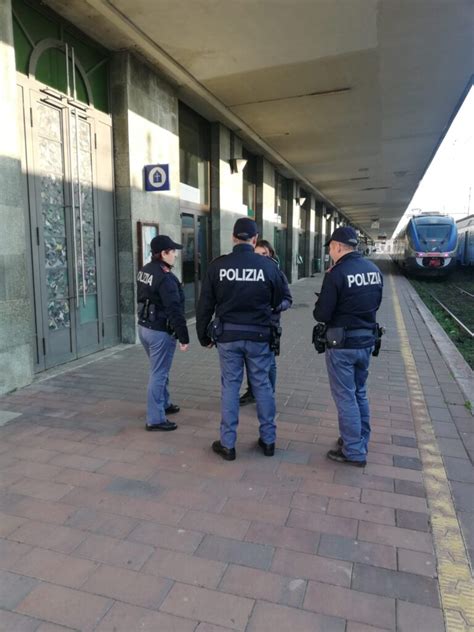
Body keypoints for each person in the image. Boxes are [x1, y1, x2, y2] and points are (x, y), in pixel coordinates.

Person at [196, 218, 285, 461]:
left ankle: (228, 444)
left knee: (230, 387)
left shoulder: (218, 266)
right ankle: (268, 441)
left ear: (234, 238)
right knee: (263, 386)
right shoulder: (268, 267)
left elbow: (204, 305)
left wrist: (203, 335)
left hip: (228, 337)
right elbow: (281, 300)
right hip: (259, 336)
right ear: (255, 239)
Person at [313, 226, 383, 466]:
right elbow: (377, 303)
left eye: (331, 248)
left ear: (338, 247)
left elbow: (322, 313)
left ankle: (353, 450)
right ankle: (360, 438)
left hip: (342, 345)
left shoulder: (337, 273)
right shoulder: (374, 270)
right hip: (366, 342)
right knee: (359, 392)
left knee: (345, 397)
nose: (330, 252)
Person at [137, 235, 189, 431]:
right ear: (163, 253)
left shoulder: (145, 270)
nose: (175, 255)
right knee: (158, 373)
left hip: (144, 328)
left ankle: (164, 404)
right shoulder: (165, 278)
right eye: (172, 251)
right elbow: (174, 309)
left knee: (160, 369)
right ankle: (155, 418)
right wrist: (183, 336)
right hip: (159, 331)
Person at [239, 240, 292, 405]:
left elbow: (288, 299)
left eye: (264, 254)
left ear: (270, 254)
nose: (261, 257)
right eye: (257, 254)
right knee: (250, 359)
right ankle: (252, 392)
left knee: (269, 361)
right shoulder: (248, 272)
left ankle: (269, 394)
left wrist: (275, 307)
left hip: (269, 324)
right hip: (250, 323)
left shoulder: (276, 273)